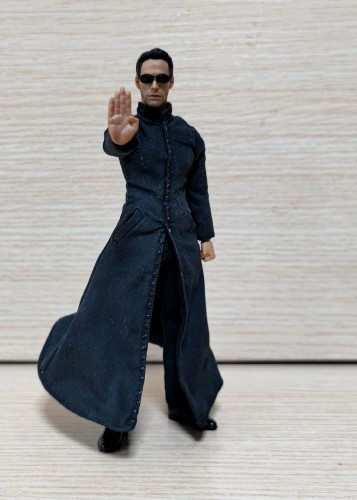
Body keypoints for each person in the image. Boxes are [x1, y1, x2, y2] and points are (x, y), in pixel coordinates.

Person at [37, 48, 223, 453]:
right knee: (116, 325)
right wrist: (117, 138)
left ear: (172, 82)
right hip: (136, 241)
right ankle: (115, 417)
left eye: (162, 78)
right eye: (147, 78)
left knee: (186, 326)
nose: (154, 85)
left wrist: (205, 235)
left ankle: (188, 406)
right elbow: (116, 141)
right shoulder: (131, 128)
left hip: (181, 245)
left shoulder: (189, 136)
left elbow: (198, 190)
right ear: (138, 82)